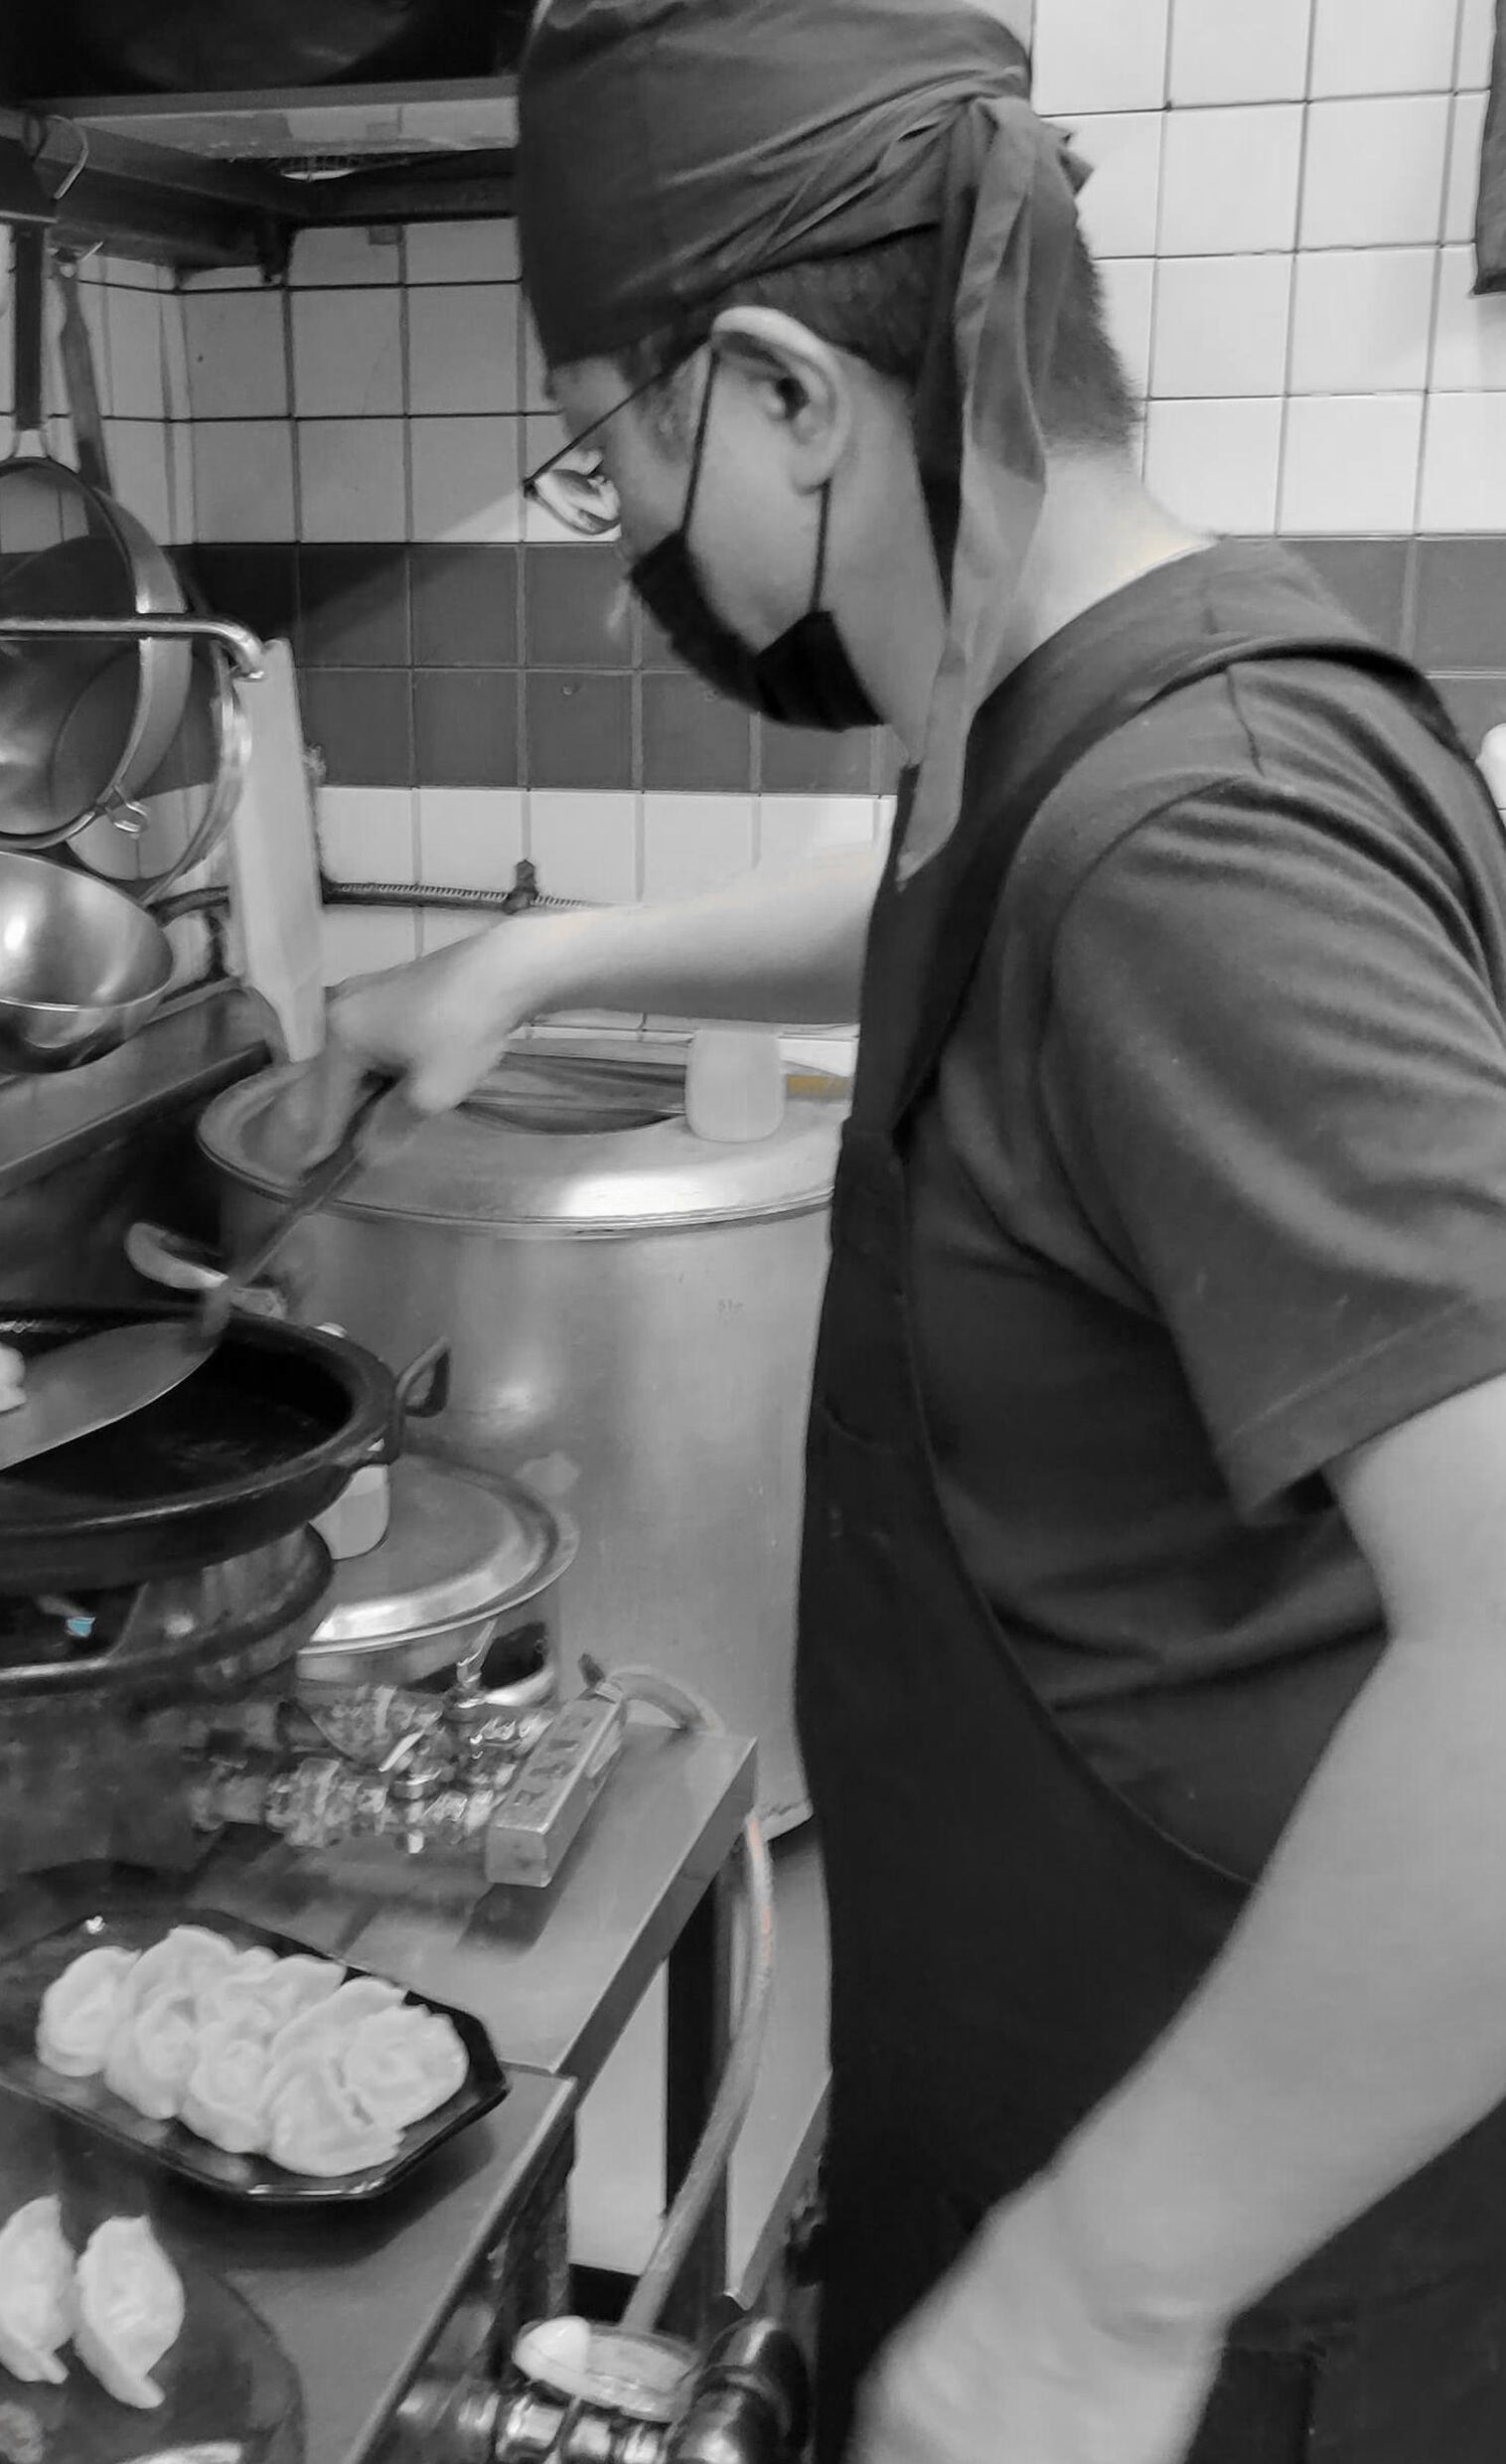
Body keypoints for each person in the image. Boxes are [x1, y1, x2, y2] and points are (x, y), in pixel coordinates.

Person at [306, 3, 1506, 2457]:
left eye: (610, 447)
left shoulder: (1200, 841)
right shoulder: (1074, 709)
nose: (621, 544)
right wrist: (541, 962)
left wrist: (1103, 2285)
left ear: (781, 390)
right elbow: (953, 917)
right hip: (1070, 2104)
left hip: (1245, 2292)